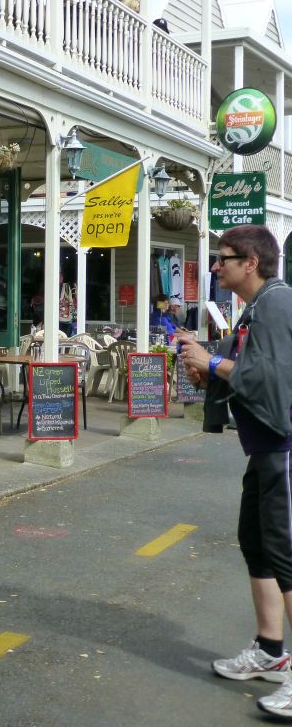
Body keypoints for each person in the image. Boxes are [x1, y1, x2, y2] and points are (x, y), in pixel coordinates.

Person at [175, 226, 292, 719]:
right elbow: (246, 362)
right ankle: (270, 649)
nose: (215, 268)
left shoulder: (279, 303)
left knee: (287, 556)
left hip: (283, 449)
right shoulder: (258, 305)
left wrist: (214, 362)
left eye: (222, 259)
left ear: (250, 262)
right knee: (258, 543)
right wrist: (211, 365)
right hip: (263, 450)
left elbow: (275, 382)